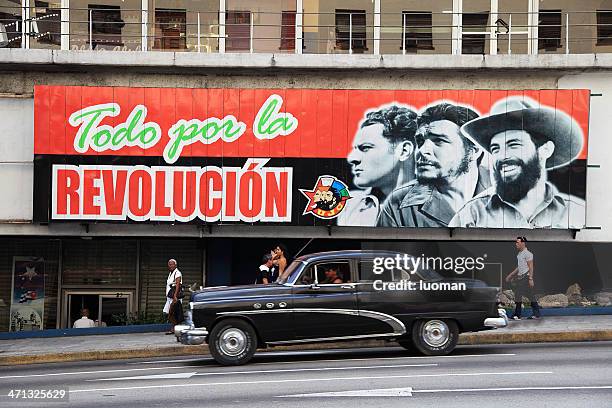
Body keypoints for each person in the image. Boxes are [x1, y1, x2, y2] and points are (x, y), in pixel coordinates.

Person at [450, 97, 586, 229]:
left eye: (514, 144)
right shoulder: (470, 217)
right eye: (495, 149)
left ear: (546, 149)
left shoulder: (576, 215)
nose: (502, 156)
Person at [378, 102, 490, 227]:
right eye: (420, 141)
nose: (422, 150)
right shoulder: (397, 205)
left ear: (473, 151)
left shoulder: (507, 192)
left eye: (439, 140)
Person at [338, 105, 418, 226]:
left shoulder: (439, 206)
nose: (352, 158)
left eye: (365, 148)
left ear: (403, 151)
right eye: (355, 149)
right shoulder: (348, 205)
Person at [505, 236, 541, 320]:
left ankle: (517, 315)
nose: (516, 244)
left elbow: (531, 267)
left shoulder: (528, 254)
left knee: (518, 294)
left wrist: (530, 279)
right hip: (520, 278)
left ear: (523, 243)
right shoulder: (519, 254)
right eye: (516, 242)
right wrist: (510, 275)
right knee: (530, 295)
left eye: (518, 242)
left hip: (526, 277)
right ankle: (537, 313)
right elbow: (519, 267)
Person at [164, 258, 183, 334]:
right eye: (169, 264)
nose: (170, 265)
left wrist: (175, 296)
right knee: (170, 313)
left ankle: (176, 328)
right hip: (169, 297)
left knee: (171, 313)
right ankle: (174, 328)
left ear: (175, 265)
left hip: (174, 297)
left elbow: (178, 285)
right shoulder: (171, 273)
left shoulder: (177, 273)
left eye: (172, 264)